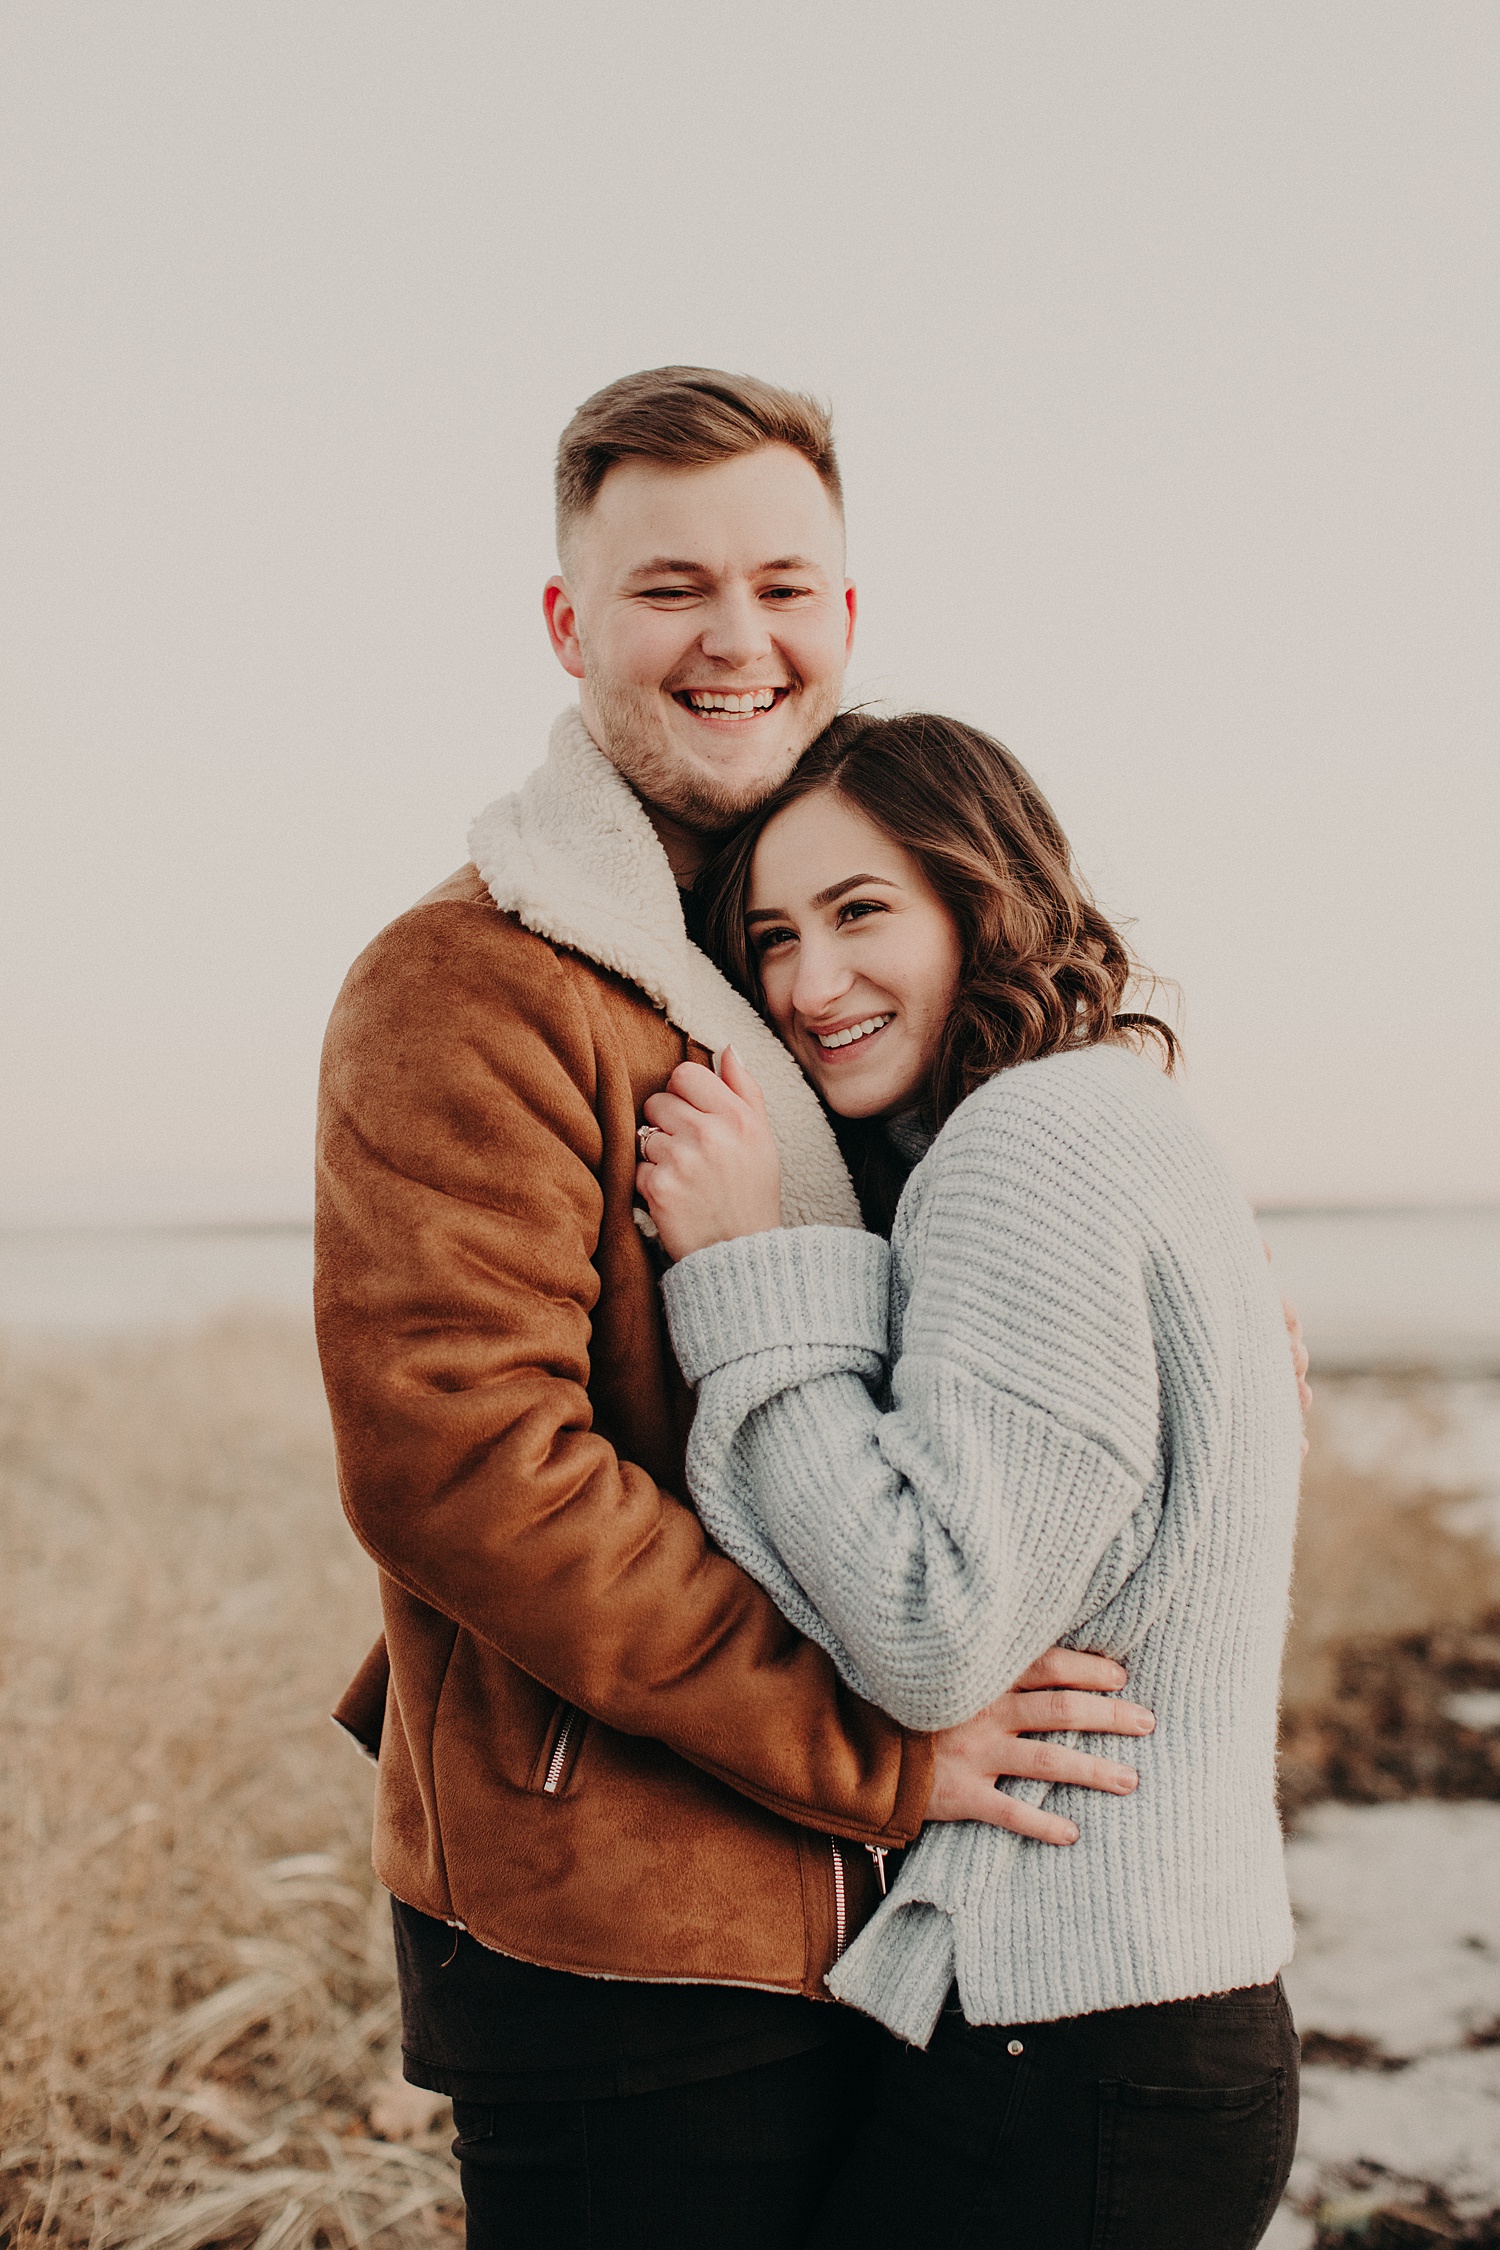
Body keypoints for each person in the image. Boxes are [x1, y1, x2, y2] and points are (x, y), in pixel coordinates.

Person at [314, 370, 1171, 2250]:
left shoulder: (823, 956)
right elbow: (469, 1469)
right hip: (621, 1934)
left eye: (786, 583)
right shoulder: (469, 983)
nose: (737, 637)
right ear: (568, 622)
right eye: (670, 585)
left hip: (895, 1909)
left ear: (846, 616)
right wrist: (876, 1746)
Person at [636, 711, 1305, 2249]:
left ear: (983, 896)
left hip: (1072, 2040)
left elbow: (931, 1621)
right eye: (774, 935)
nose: (811, 985)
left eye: (864, 911)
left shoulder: (1024, 1144)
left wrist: (746, 1271)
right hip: (1142, 2018)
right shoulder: (1115, 1115)